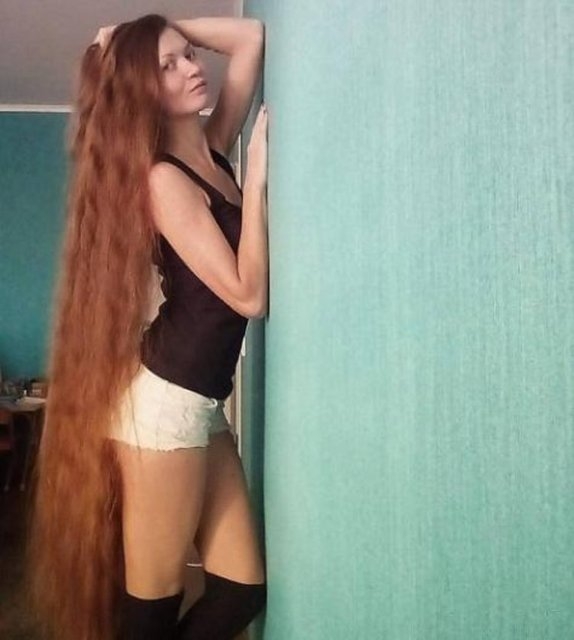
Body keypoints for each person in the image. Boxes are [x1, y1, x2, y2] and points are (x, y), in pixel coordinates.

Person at [28, 14, 268, 640]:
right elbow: (248, 295)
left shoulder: (212, 151)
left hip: (197, 402)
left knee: (241, 592)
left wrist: (150, 30)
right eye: (168, 65)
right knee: (153, 604)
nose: (193, 67)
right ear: (143, 90)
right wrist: (258, 184)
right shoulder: (162, 178)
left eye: (188, 54)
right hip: (164, 407)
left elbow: (250, 38)